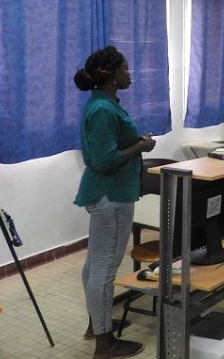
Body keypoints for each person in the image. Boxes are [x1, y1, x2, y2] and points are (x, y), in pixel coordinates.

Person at [73, 46, 156, 359]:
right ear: (111, 75)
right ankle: (105, 343)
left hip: (105, 193)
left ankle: (96, 325)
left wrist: (136, 143)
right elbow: (105, 160)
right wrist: (141, 146)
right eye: (125, 68)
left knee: (95, 264)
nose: (129, 73)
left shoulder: (102, 104)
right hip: (112, 195)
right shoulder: (103, 110)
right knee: (105, 269)